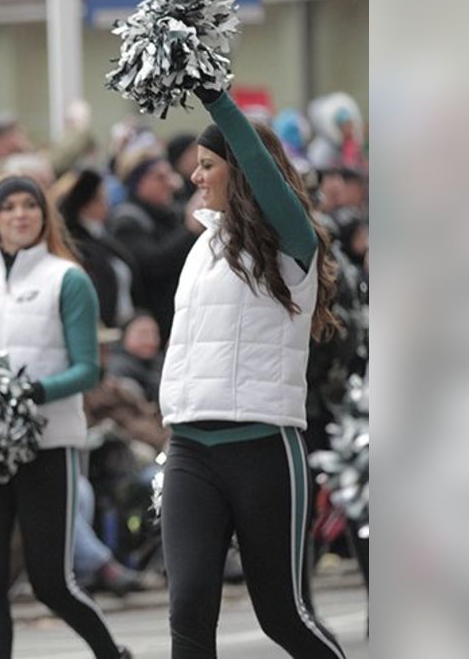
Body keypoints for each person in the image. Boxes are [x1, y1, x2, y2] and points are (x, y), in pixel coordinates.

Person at [158, 85, 347, 658]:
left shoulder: (292, 245)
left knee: (282, 616)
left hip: (263, 448)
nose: (195, 177)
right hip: (190, 450)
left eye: (208, 165)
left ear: (241, 171)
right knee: (188, 608)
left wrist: (217, 100)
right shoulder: (201, 247)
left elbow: (267, 179)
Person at [0, 174, 131, 659]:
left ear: (45, 217)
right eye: (9, 208)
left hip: (47, 445)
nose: (20, 215)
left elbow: (87, 369)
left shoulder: (67, 278)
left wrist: (30, 392)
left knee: (51, 581)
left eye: (30, 206)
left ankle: (112, 655)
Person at [108, 148, 201, 337]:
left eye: (170, 175)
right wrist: (190, 229)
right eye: (160, 177)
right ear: (138, 181)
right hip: (153, 331)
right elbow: (154, 264)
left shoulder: (170, 214)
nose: (170, 184)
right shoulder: (126, 222)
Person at [58, 168, 139, 330]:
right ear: (87, 204)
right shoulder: (77, 245)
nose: (107, 204)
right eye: (101, 198)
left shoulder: (102, 237)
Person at [106, 312, 163, 402]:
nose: (151, 339)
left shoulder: (160, 363)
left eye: (155, 334)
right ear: (124, 336)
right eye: (143, 334)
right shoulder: (118, 366)